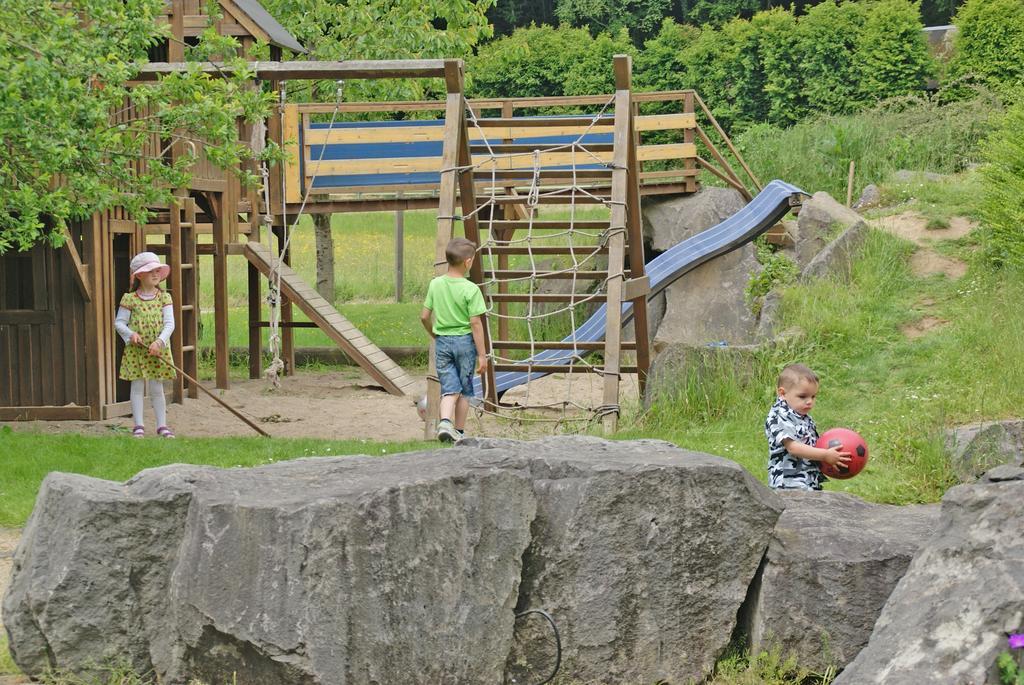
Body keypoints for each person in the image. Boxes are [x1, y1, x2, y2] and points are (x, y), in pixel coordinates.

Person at [420, 237, 488, 443]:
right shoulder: (471, 289)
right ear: (468, 262)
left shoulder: (436, 284)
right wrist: (482, 356)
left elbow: (424, 316)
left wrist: (433, 333)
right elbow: (476, 324)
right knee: (465, 390)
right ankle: (453, 427)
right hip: (465, 345)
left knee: (449, 386)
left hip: (443, 343)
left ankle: (451, 429)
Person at [114, 251, 176, 438]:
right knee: (137, 387)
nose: (156, 274)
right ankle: (139, 425)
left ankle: (162, 426)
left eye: (158, 270)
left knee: (157, 388)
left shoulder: (164, 297)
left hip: (157, 350)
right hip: (137, 351)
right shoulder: (130, 299)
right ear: (139, 275)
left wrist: (159, 342)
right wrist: (130, 334)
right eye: (151, 271)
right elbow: (119, 323)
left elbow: (169, 323)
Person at [764, 363, 850, 490]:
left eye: (813, 396)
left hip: (808, 478)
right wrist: (825, 455)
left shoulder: (801, 416)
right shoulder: (779, 415)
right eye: (802, 396)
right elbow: (793, 448)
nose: (809, 401)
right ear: (782, 393)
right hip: (789, 481)